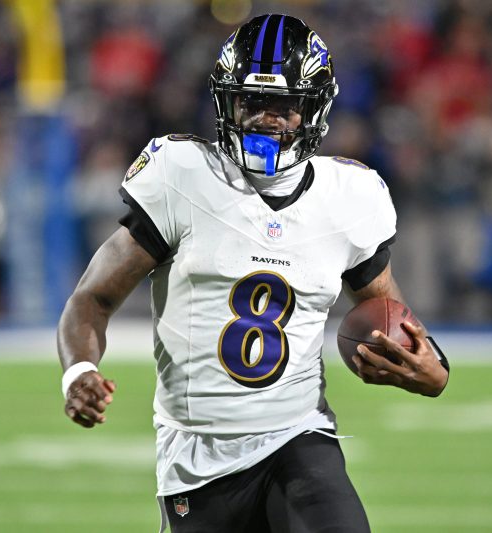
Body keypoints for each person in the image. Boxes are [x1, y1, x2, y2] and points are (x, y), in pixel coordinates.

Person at [58, 14, 449, 532]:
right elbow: (93, 298)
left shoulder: (349, 199)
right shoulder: (183, 176)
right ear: (227, 103)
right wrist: (79, 371)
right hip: (197, 456)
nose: (266, 119)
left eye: (283, 106)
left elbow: (390, 316)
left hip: (298, 437)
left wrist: (432, 369)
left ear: (314, 109)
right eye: (251, 102)